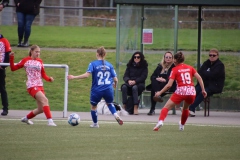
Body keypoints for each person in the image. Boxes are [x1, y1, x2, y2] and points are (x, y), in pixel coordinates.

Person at [67, 46, 123, 128]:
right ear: (105, 54)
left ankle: (95, 124)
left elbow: (86, 75)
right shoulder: (109, 65)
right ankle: (116, 115)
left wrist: (74, 77)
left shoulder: (93, 64)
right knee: (109, 103)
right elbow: (115, 79)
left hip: (97, 90)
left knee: (94, 106)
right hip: (108, 89)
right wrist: (115, 84)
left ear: (97, 54)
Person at [153, 51, 207, 131]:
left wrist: (159, 92)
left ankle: (160, 122)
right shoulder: (190, 67)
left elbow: (169, 85)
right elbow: (199, 78)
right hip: (191, 91)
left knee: (166, 108)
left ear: (174, 60)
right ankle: (181, 125)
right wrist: (203, 90)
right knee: (186, 108)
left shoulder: (174, 69)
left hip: (181, 91)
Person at [9, 45, 57, 126]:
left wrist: (49, 79)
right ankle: (50, 121)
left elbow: (43, 74)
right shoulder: (25, 60)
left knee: (41, 109)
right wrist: (11, 58)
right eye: (36, 52)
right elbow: (13, 68)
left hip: (40, 86)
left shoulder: (40, 61)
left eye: (39, 52)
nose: (38, 53)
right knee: (45, 100)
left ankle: (26, 118)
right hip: (31, 85)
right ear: (31, 51)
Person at [188, 48, 225, 117]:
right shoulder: (206, 63)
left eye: (214, 55)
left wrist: (205, 73)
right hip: (204, 84)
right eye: (210, 55)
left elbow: (213, 75)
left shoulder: (220, 65)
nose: (211, 56)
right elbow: (199, 72)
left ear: (217, 56)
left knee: (203, 92)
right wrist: (207, 73)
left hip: (214, 86)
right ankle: (189, 108)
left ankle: (191, 108)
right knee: (194, 91)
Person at [147, 51, 176, 115]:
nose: (168, 58)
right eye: (166, 57)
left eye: (170, 57)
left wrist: (165, 80)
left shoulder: (173, 67)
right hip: (158, 84)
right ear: (164, 58)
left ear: (172, 58)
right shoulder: (160, 66)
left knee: (153, 89)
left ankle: (152, 108)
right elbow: (152, 76)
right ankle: (157, 94)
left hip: (167, 84)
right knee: (154, 80)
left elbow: (172, 79)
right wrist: (158, 78)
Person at [0, 31, 11, 116]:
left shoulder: (4, 40)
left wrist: (3, 66)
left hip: (0, 68)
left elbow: (8, 53)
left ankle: (5, 108)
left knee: (2, 88)